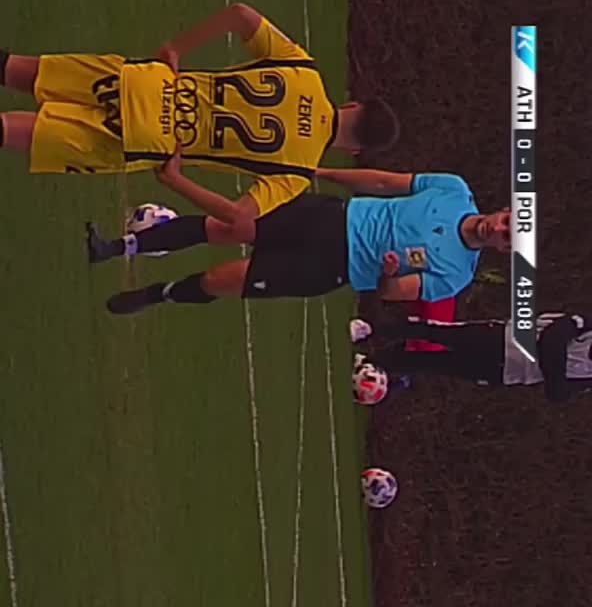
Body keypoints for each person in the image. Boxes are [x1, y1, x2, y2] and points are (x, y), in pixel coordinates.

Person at [0, 3, 397, 223]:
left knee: (16, 69)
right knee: (16, 130)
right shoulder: (297, 171)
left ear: (352, 106)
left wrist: (176, 47)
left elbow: (241, 15)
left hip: (150, 83)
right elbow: (238, 216)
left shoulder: (303, 71)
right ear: (354, 151)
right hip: (147, 137)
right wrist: (176, 180)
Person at [87, 169, 511, 316]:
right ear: (504, 210)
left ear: (505, 250)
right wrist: (323, 173)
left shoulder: (455, 276)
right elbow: (385, 182)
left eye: (508, 237)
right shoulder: (453, 190)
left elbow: (395, 292)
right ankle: (117, 247)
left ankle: (157, 295)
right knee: (227, 226)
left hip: (331, 267)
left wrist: (387, 274)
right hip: (328, 217)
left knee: (221, 279)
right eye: (507, 222)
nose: (498, 229)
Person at [351, 310, 592, 402]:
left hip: (505, 372)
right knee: (435, 332)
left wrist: (553, 366)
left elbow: (558, 394)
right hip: (501, 338)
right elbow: (553, 338)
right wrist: (554, 369)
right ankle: (370, 329)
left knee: (433, 363)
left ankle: (372, 363)